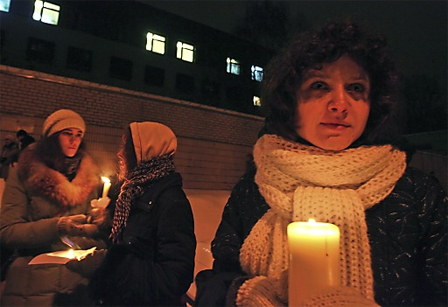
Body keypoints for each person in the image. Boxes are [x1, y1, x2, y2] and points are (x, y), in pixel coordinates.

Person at [194, 22, 447, 307]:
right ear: (291, 101)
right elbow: (214, 282)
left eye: (355, 88)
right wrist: (244, 294)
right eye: (319, 85)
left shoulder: (417, 195)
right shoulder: (253, 189)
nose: (340, 103)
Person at [67, 121, 196, 306]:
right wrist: (104, 226)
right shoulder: (134, 192)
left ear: (146, 151)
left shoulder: (171, 202)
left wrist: (109, 266)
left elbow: (175, 278)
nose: (120, 154)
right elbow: (132, 243)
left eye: (126, 147)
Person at [0, 109, 108, 306]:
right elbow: (8, 231)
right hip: (34, 282)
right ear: (52, 136)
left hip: (76, 283)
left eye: (78, 134)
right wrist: (57, 227)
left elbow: (92, 234)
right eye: (67, 133)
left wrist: (98, 222)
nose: (73, 140)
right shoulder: (25, 172)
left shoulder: (88, 176)